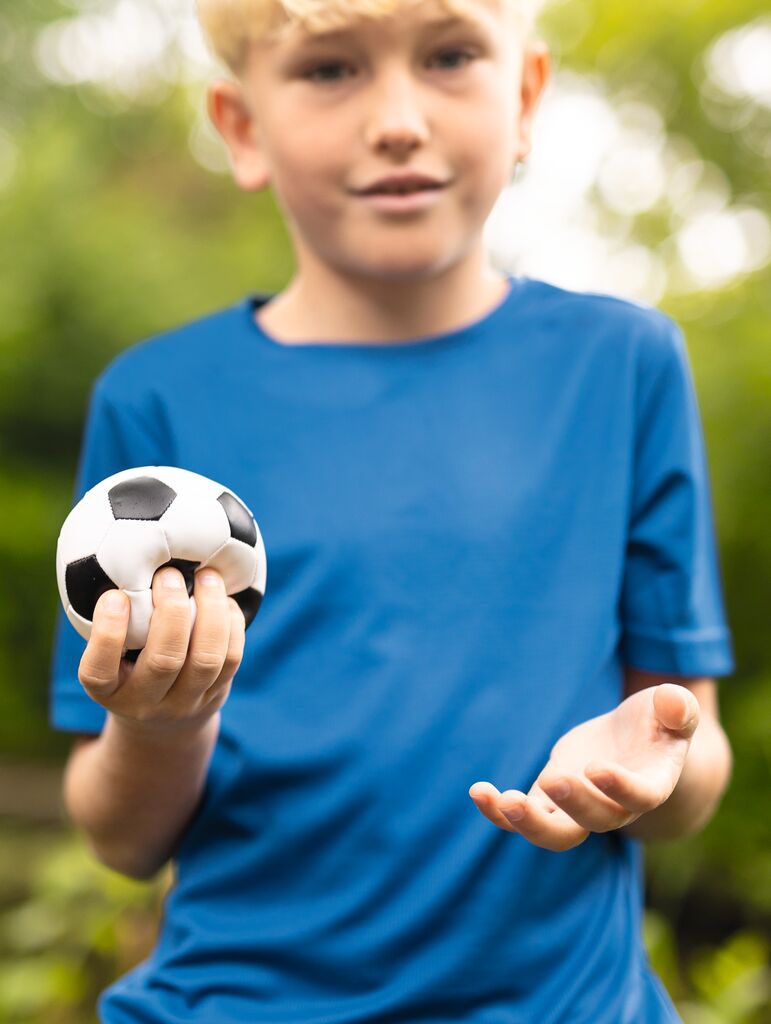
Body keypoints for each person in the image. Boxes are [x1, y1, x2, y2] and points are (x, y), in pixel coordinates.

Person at [49, 0, 736, 1021]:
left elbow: (695, 755)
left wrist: (653, 761)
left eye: (451, 55)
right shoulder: (158, 399)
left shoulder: (623, 366)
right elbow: (121, 835)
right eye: (330, 70)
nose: (398, 119)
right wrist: (164, 725)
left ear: (528, 98)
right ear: (243, 127)